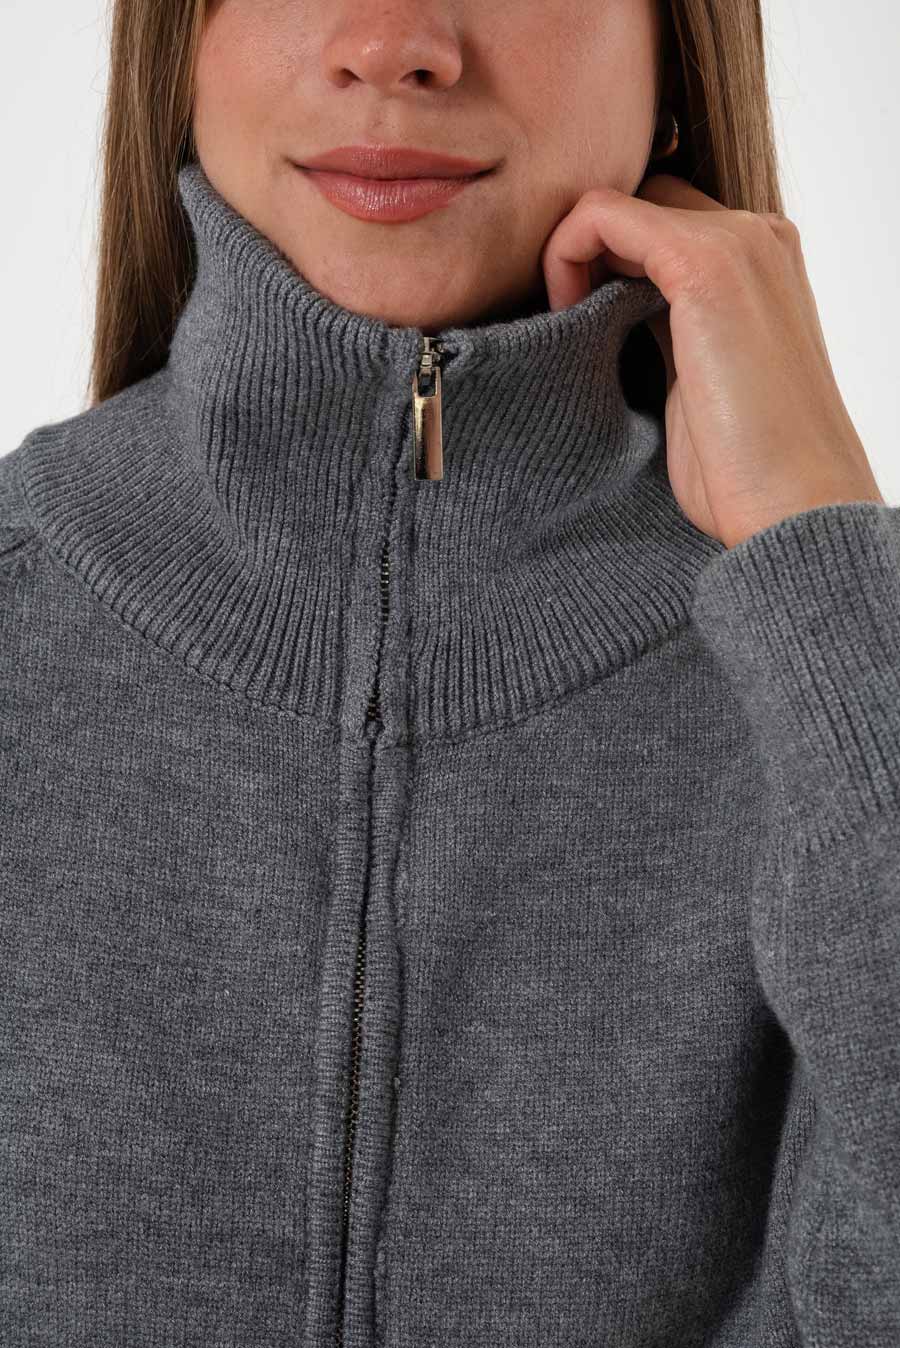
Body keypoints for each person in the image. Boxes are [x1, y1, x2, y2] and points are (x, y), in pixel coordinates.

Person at [1, 0, 897, 1344]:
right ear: (177, 42)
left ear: (675, 55)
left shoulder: (839, 690)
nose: (392, 43)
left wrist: (820, 550)